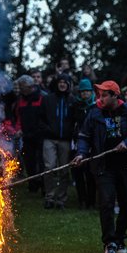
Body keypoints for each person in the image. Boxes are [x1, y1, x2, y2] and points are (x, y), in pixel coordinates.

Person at [72, 80, 127, 253]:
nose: (101, 97)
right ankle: (110, 243)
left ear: (115, 96)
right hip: (104, 167)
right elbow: (84, 136)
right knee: (106, 203)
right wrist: (82, 154)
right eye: (99, 94)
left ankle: (120, 237)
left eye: (105, 94)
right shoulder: (94, 113)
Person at [39, 73, 76, 209]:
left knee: (64, 170)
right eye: (60, 82)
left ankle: (61, 199)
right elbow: (40, 119)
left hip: (65, 140)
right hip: (49, 138)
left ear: (68, 85)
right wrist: (47, 130)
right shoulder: (48, 99)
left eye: (65, 82)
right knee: (49, 168)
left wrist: (72, 133)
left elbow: (75, 120)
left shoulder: (72, 100)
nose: (62, 84)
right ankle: (49, 196)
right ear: (56, 83)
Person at [14, 75, 46, 193]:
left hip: (40, 135)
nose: (20, 89)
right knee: (29, 161)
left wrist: (42, 129)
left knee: (42, 162)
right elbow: (18, 117)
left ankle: (44, 186)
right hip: (27, 136)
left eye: (22, 87)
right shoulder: (21, 100)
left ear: (29, 86)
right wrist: (19, 129)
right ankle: (33, 185)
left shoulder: (42, 97)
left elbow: (45, 117)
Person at [72, 79, 96, 209]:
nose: (84, 94)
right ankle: (82, 200)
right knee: (78, 172)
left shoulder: (96, 106)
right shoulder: (76, 106)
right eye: (82, 92)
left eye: (87, 91)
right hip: (77, 142)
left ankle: (91, 201)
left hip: (92, 143)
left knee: (90, 174)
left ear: (91, 92)